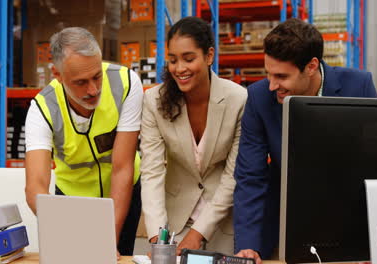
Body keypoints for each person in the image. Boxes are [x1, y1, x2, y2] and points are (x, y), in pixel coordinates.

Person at [233, 18, 377, 263]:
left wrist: (376, 240)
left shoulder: (359, 87)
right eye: (268, 74)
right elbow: (250, 177)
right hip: (287, 227)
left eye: (281, 76)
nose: (271, 85)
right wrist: (248, 245)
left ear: (311, 66)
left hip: (349, 227)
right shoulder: (258, 98)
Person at [24, 27, 143, 257]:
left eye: (97, 76)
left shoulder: (126, 83)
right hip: (72, 203)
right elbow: (35, 187)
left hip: (122, 194)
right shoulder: (41, 109)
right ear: (56, 74)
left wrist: (108, 241)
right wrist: (70, 234)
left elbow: (122, 169)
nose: (93, 89)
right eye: (80, 82)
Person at [140, 16, 247, 256]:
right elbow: (152, 171)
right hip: (172, 224)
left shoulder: (238, 99)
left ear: (209, 56)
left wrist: (198, 233)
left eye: (189, 59)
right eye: (173, 60)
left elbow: (233, 176)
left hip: (222, 223)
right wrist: (160, 237)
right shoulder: (154, 101)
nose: (180, 69)